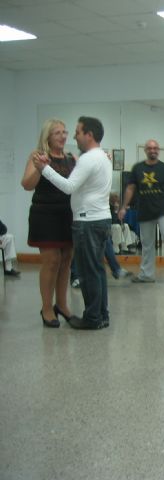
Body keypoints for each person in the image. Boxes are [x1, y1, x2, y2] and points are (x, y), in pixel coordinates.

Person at [33, 116, 112, 330]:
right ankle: (101, 315)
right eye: (60, 132)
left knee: (88, 273)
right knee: (96, 270)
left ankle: (93, 318)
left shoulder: (87, 159)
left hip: (88, 222)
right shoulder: (101, 157)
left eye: (75, 132)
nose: (71, 136)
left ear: (89, 135)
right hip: (99, 219)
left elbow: (68, 187)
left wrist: (45, 169)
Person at [21, 119, 75, 328]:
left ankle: (62, 305)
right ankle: (46, 308)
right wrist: (40, 167)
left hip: (66, 214)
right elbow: (27, 184)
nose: (63, 136)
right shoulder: (37, 156)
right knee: (51, 260)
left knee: (66, 260)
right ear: (47, 137)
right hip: (45, 215)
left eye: (65, 132)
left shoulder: (71, 159)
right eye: (57, 133)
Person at [118, 139, 164, 282]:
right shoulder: (137, 168)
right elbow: (130, 188)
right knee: (147, 244)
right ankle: (147, 275)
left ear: (158, 151)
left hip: (162, 209)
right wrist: (124, 207)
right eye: (149, 148)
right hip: (144, 210)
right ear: (145, 150)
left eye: (155, 148)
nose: (152, 150)